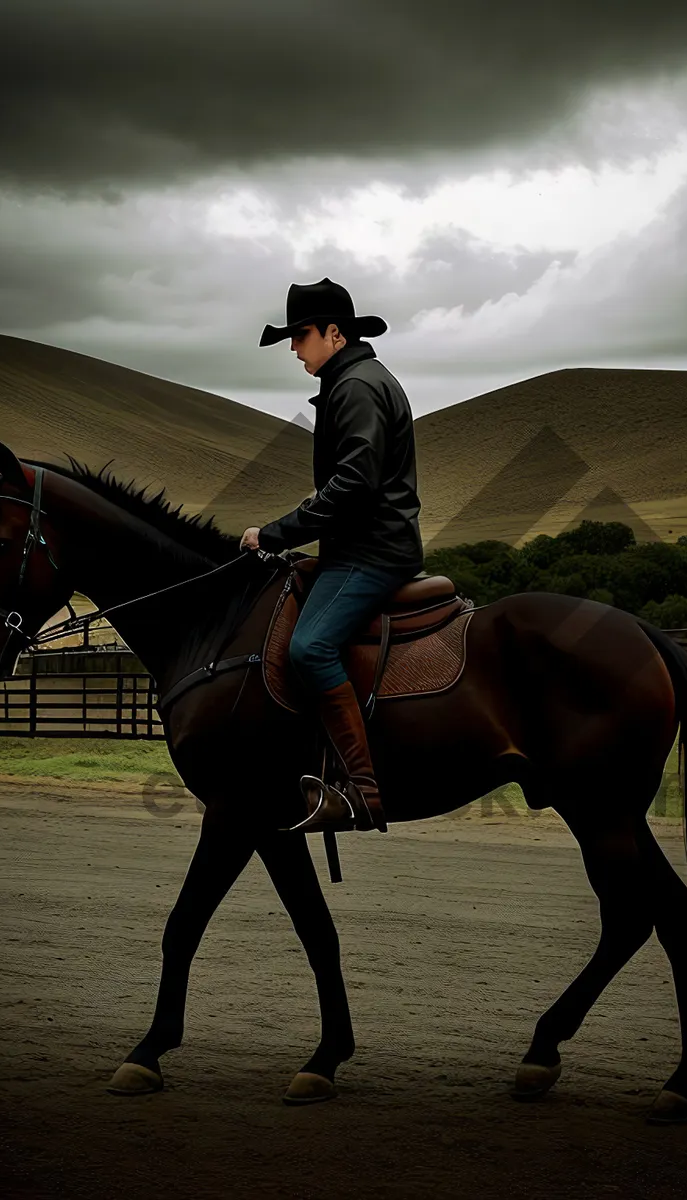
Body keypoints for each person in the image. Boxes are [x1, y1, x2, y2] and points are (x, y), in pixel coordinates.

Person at [240, 278, 425, 834]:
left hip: (371, 552)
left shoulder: (357, 388)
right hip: (362, 544)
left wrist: (274, 534)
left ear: (334, 333)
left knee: (310, 646)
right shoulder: (358, 380)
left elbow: (355, 484)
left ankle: (362, 791)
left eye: (301, 336)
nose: (295, 348)